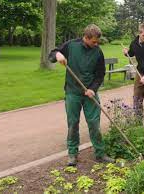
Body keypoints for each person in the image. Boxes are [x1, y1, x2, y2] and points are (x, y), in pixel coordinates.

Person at [49, 24, 114, 166]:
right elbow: (53, 54)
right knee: (73, 124)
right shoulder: (71, 46)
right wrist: (58, 55)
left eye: (98, 41)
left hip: (90, 94)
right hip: (73, 92)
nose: (96, 44)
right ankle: (72, 154)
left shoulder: (97, 52)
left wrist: (93, 88)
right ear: (86, 37)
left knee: (94, 124)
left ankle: (100, 153)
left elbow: (100, 74)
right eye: (94, 41)